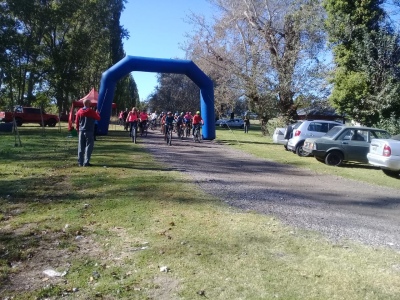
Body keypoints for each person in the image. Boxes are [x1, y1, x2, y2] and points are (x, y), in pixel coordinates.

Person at [75, 98, 101, 167]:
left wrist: (77, 130)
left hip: (81, 131)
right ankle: (86, 162)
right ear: (89, 104)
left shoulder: (79, 111)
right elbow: (98, 118)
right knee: (89, 147)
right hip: (89, 131)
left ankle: (80, 162)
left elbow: (76, 122)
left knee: (80, 147)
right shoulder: (91, 112)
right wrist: (97, 113)